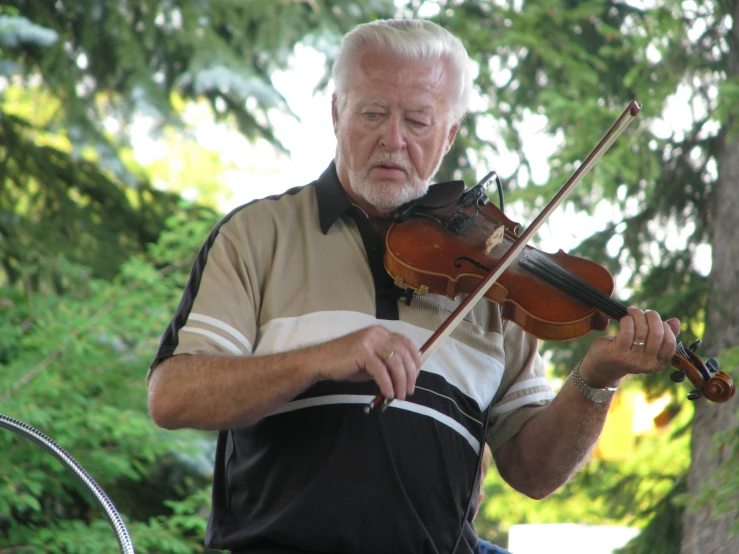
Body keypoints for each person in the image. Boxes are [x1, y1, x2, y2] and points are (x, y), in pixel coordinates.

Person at [147, 18, 680, 554]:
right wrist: (319, 359)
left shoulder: (498, 273)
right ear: (337, 113)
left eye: (419, 121)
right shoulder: (258, 235)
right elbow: (173, 396)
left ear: (448, 135)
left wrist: (597, 378)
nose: (393, 139)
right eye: (373, 113)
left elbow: (534, 473)